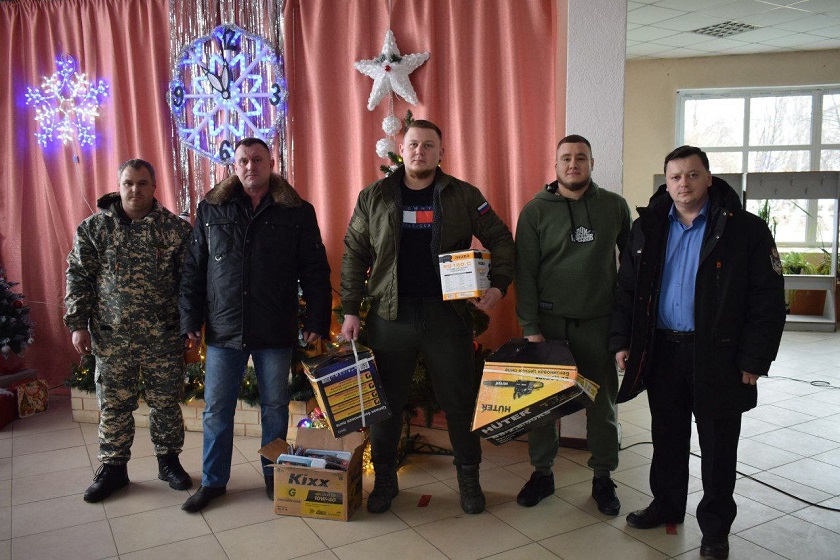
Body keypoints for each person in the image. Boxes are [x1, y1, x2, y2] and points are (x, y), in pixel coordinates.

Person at [610, 146, 785, 559]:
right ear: (666, 182)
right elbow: (627, 290)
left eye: (692, 175)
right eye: (675, 177)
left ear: (708, 178)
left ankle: (716, 529)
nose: (683, 184)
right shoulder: (648, 227)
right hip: (663, 352)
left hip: (719, 356)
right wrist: (622, 340)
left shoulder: (746, 230)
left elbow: (768, 299)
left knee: (718, 446)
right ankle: (667, 505)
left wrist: (754, 360)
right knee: (667, 437)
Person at [341, 119, 515, 515]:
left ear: (441, 153)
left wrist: (499, 285)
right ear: (402, 150)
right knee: (386, 405)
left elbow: (501, 239)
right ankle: (385, 479)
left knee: (459, 402)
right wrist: (351, 309)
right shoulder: (374, 196)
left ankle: (468, 478)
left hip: (446, 316)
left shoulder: (464, 195)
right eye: (414, 144)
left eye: (429, 145)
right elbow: (354, 253)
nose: (420, 151)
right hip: (391, 316)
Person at [179, 138, 332, 512]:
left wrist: (316, 318)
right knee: (217, 410)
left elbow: (315, 270)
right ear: (235, 166)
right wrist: (190, 318)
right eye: (244, 161)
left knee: (275, 408)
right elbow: (194, 269)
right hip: (223, 328)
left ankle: (273, 476)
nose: (251, 166)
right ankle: (213, 482)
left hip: (275, 326)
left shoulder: (297, 211)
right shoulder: (211, 209)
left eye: (258, 159)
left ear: (271, 163)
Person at [514, 135, 630, 515]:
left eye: (581, 157)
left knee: (603, 406)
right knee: (542, 406)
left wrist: (625, 326)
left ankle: (602, 477)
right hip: (549, 326)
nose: (573, 164)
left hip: (599, 324)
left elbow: (632, 266)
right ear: (556, 165)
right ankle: (542, 474)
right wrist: (530, 327)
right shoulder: (535, 211)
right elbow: (524, 273)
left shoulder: (614, 206)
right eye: (566, 158)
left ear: (592, 163)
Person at [65, 159, 193, 503]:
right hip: (112, 336)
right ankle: (113, 469)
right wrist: (77, 324)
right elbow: (79, 276)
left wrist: (190, 324)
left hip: (162, 336)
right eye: (128, 183)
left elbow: (189, 283)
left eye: (142, 183)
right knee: (114, 405)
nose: (135, 189)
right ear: (119, 186)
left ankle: (169, 462)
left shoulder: (174, 230)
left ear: (154, 186)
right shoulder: (94, 229)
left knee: (166, 403)